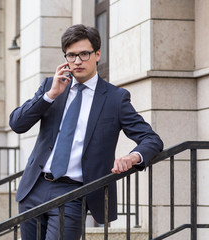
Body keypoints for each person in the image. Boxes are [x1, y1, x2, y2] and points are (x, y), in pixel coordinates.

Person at [9, 24, 163, 240]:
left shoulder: (114, 98)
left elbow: (151, 139)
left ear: (97, 54)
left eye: (84, 54)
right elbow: (17, 124)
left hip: (73, 194)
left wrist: (133, 157)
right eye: (71, 55)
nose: (77, 61)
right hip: (34, 188)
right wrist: (50, 95)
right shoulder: (51, 87)